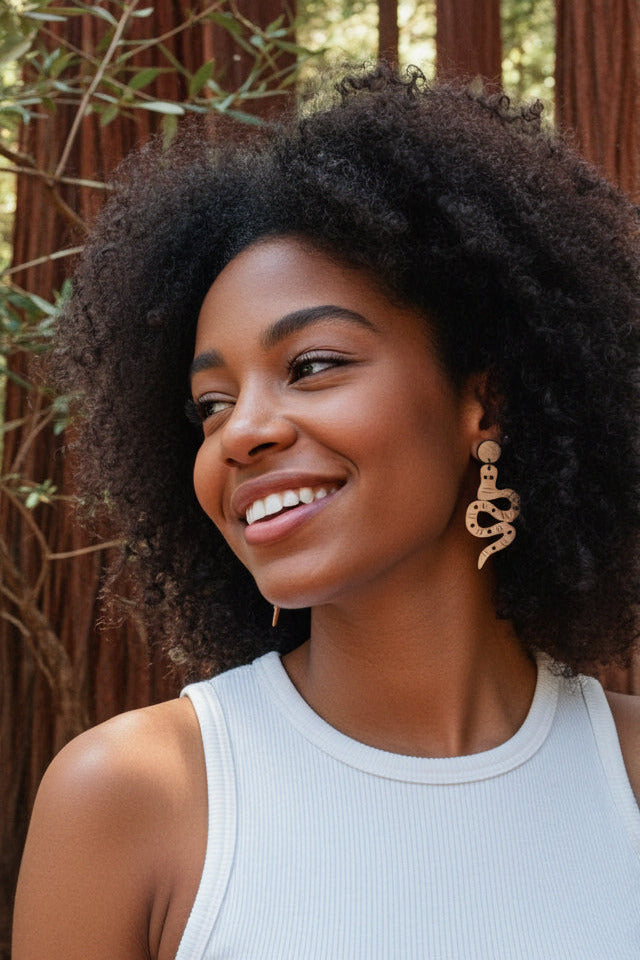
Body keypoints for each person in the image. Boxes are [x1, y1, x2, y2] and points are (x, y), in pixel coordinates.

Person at [12, 64, 640, 959]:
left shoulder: (630, 777)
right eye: (210, 406)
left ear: (485, 405)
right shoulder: (133, 797)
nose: (242, 435)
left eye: (311, 366)